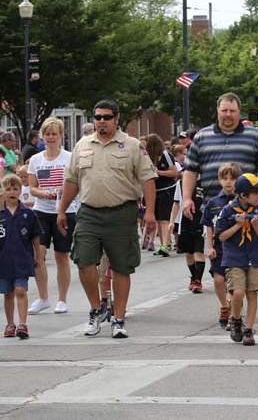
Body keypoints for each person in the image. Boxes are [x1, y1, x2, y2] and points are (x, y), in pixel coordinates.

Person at [59, 99, 158, 338]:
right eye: (98, 117)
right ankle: (96, 309)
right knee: (83, 260)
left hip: (122, 212)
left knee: (121, 266)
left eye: (106, 117)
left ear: (116, 119)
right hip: (89, 212)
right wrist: (61, 210)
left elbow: (147, 179)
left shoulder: (133, 145)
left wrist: (151, 212)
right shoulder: (82, 145)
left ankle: (119, 318)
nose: (101, 121)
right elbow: (71, 181)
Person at [182, 93, 258, 221]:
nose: (228, 114)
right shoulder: (201, 136)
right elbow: (190, 171)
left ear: (239, 112)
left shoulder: (255, 136)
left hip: (245, 210)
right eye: (224, 110)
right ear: (218, 111)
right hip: (212, 207)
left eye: (232, 111)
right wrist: (186, 199)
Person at [27, 117, 79, 315]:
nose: (50, 137)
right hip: (41, 211)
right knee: (38, 256)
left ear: (60, 136)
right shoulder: (35, 160)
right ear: (42, 136)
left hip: (64, 212)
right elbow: (32, 188)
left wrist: (63, 198)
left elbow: (77, 184)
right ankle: (42, 298)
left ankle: (62, 299)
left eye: (54, 134)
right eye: (47, 134)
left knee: (61, 256)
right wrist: (44, 193)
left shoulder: (69, 158)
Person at [214, 173, 258, 346]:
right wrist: (238, 225)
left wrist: (254, 225)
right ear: (244, 195)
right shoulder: (228, 211)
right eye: (256, 192)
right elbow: (221, 236)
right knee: (237, 292)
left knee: (252, 293)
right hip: (234, 257)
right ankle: (236, 319)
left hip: (254, 256)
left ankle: (249, 330)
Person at [0, 174, 41, 339]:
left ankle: (23, 324)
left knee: (20, 290)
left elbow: (36, 237)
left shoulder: (28, 213)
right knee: (8, 292)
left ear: (20, 191)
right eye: (8, 188)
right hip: (3, 260)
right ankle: (10, 323)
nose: (12, 192)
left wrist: (38, 255)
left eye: (15, 189)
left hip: (22, 259)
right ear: (2, 191)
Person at [202, 162, 240, 329]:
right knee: (218, 280)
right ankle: (224, 305)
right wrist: (209, 246)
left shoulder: (241, 201)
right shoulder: (213, 202)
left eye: (232, 178)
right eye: (224, 178)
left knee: (234, 282)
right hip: (219, 247)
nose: (228, 182)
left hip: (237, 247)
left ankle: (233, 313)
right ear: (219, 180)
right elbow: (208, 226)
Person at [170, 177, 205, 293]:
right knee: (189, 253)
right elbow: (176, 203)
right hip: (185, 222)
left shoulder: (204, 182)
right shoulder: (180, 183)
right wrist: (172, 221)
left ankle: (198, 281)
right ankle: (194, 276)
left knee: (198, 252)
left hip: (201, 221)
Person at [145, 133, 178, 257]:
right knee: (159, 219)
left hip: (167, 189)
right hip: (156, 190)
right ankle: (163, 245)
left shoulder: (166, 155)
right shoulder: (148, 156)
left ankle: (166, 245)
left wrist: (157, 172)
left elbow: (174, 172)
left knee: (164, 219)